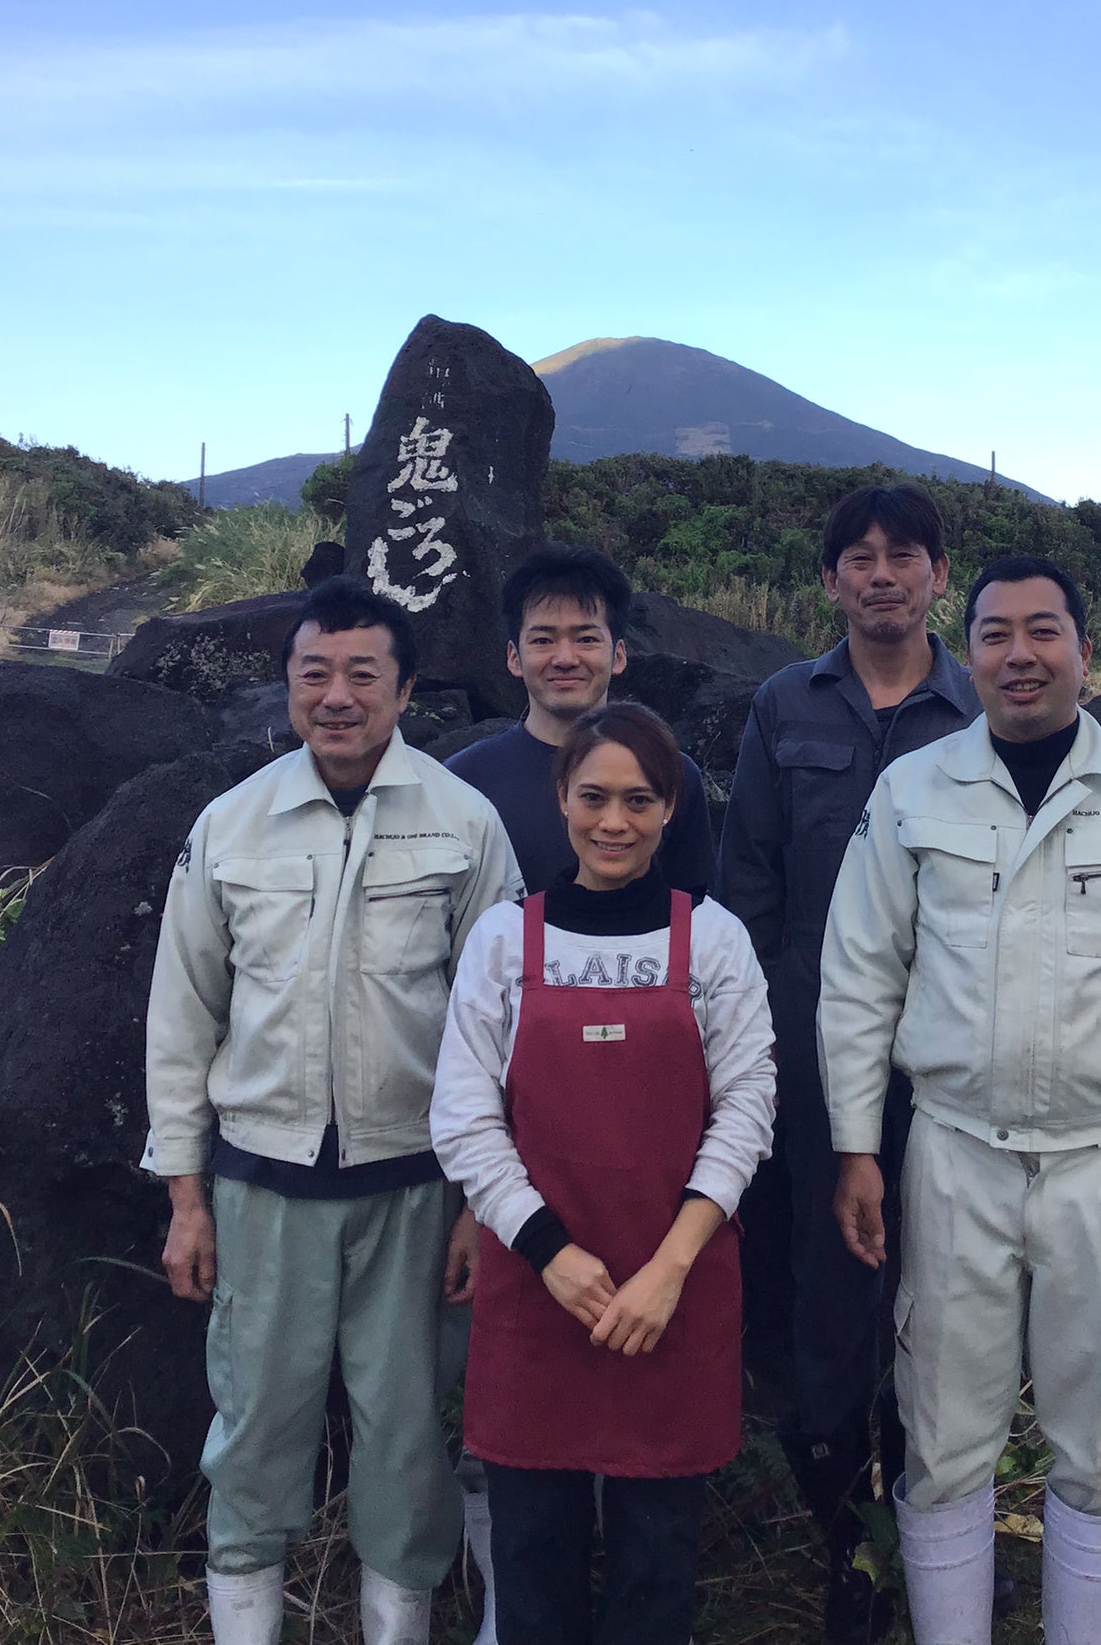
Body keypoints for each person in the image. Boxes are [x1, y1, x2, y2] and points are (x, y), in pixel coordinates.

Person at [819, 554, 1101, 1645]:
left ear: (1083, 648)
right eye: (995, 633)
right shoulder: (913, 790)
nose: (1019, 654)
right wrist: (853, 1144)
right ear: (964, 651)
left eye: (1043, 630)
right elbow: (858, 972)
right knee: (944, 1437)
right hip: (954, 1152)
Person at [143, 577, 522, 1645]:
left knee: (406, 1440)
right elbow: (183, 1013)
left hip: (415, 1185)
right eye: (316, 671)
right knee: (257, 1432)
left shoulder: (464, 820)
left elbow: (505, 1024)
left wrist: (480, 1207)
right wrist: (186, 1191)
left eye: (364, 673)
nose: (338, 694)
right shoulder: (232, 824)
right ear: (289, 684)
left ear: (406, 689)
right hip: (260, 1183)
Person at [431, 702, 776, 1645]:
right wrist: (550, 1253)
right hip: (536, 1293)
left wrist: (669, 1269)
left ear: (671, 810)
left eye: (638, 799)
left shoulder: (712, 941)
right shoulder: (505, 941)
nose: (613, 821)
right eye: (593, 798)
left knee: (656, 1569)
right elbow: (463, 1118)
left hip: (676, 1295)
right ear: (561, 801)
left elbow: (747, 1112)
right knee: (532, 1561)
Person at [715, 482, 980, 1642]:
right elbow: (751, 893)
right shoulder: (785, 706)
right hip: (823, 1068)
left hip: (959, 1066)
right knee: (830, 1305)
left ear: (936, 575)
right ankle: (850, 1546)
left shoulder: (980, 707)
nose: (882, 573)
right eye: (859, 556)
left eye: (904, 554)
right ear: (830, 580)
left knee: (949, 1303)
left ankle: (944, 1535)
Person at [446, 543, 715, 895]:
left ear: (618, 655)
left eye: (586, 639)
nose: (565, 658)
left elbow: (695, 913)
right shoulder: (463, 781)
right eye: (543, 640)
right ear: (514, 657)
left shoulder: (671, 774)